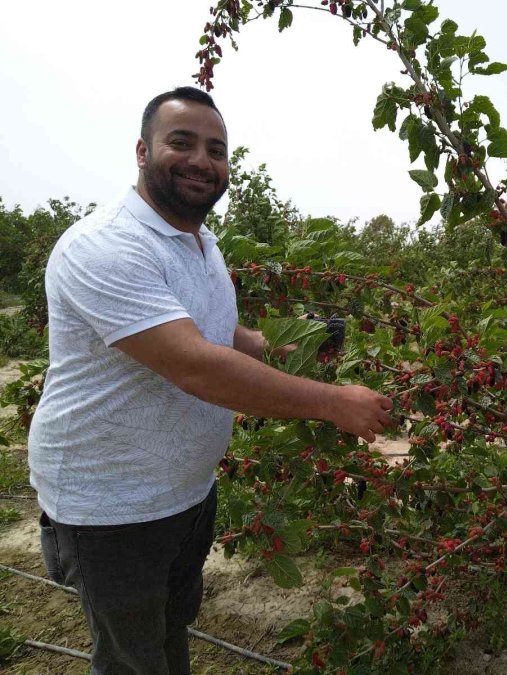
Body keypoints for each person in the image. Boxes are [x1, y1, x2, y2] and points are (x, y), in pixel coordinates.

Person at [28, 86, 394, 674]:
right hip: (109, 510)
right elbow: (195, 363)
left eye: (216, 149)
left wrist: (294, 342)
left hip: (186, 493)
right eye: (183, 142)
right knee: (130, 660)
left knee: (172, 630)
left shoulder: (202, 242)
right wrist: (332, 402)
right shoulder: (104, 246)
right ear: (143, 151)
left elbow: (220, 334)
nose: (203, 160)